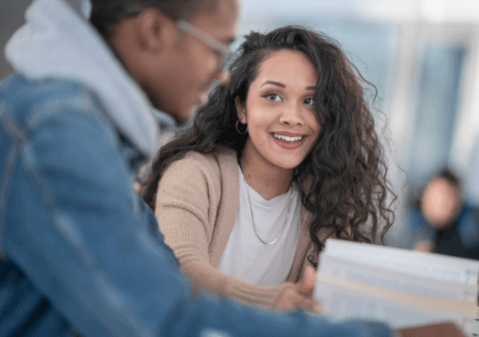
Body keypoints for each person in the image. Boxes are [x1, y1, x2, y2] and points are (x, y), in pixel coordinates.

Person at [0, 0, 466, 336]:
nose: (219, 74)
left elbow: (161, 276)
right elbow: (164, 321)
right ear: (155, 31)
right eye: (216, 49)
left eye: (311, 101)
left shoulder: (81, 127)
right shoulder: (57, 133)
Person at [142, 26, 394, 311]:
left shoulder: (328, 202)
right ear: (242, 109)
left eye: (311, 101)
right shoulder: (195, 174)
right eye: (273, 96)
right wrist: (271, 300)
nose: (292, 117)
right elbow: (181, 267)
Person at [408, 169, 479, 312]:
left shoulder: (475, 219)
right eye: (438, 195)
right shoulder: (413, 228)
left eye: (450, 196)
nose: (443, 203)